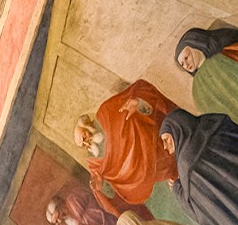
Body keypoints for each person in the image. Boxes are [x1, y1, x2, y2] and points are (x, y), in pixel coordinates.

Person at [74, 80, 178, 216]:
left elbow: (141, 89)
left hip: (164, 145)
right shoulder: (95, 164)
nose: (87, 143)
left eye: (84, 137)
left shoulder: (106, 112)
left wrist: (138, 104)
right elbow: (110, 194)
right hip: (154, 183)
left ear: (87, 124)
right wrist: (101, 185)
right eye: (84, 145)